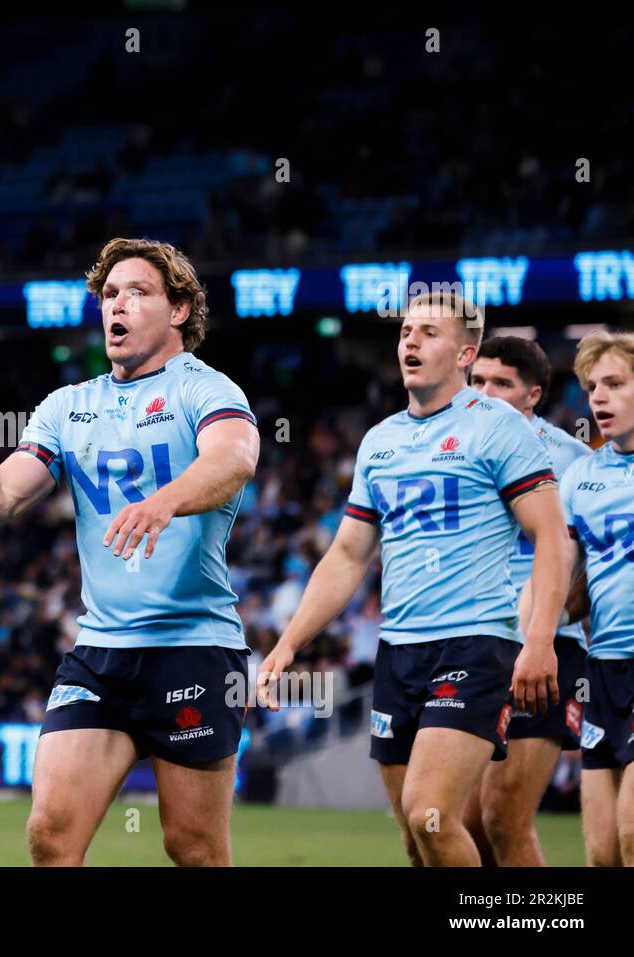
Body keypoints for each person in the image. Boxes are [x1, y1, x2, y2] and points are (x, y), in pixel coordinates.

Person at [0, 238, 260, 866]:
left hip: (192, 649)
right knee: (51, 835)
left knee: (193, 847)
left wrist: (164, 501)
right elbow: (3, 496)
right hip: (100, 655)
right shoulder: (68, 407)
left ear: (179, 311)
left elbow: (234, 459)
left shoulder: (205, 388)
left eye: (138, 292)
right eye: (109, 294)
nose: (117, 304)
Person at [259, 292, 570, 867]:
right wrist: (289, 643)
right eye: (406, 331)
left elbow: (552, 538)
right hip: (398, 654)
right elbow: (348, 556)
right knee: (412, 834)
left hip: (475, 645)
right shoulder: (380, 441)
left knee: (432, 813)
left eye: (429, 332)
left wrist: (541, 639)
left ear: (465, 354)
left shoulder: (499, 428)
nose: (410, 341)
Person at [465, 335, 591, 865]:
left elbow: (585, 563)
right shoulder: (455, 446)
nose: (487, 393)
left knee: (504, 816)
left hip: (544, 647)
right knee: (463, 822)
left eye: (502, 384)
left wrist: (553, 618)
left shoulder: (571, 459)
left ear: (534, 394)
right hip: (473, 643)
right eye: (478, 381)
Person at [548, 331, 634, 865]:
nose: (598, 397)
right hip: (602, 671)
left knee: (631, 836)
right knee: (602, 854)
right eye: (592, 386)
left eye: (616, 384)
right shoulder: (580, 476)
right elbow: (568, 583)